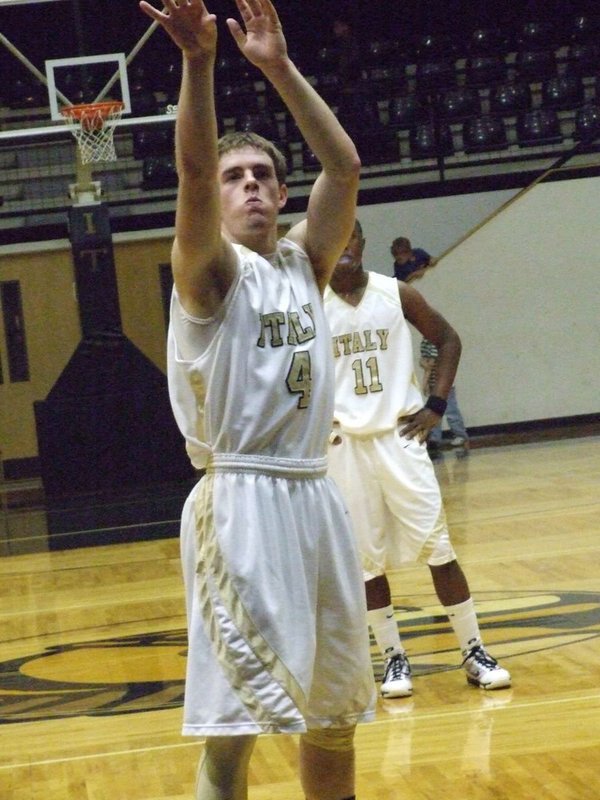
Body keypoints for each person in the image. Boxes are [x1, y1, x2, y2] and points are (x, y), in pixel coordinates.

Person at [138, 2, 375, 799]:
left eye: (264, 176)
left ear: (281, 192)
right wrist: (200, 64)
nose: (250, 187)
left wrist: (277, 67)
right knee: (236, 727)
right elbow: (195, 173)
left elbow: (342, 169)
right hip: (239, 498)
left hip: (314, 496)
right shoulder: (210, 272)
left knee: (333, 711)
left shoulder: (304, 264)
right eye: (239, 177)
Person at [325, 220, 511, 700]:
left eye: (351, 239)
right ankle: (393, 659)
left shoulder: (396, 293)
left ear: (363, 245)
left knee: (439, 548)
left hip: (400, 437)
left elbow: (448, 338)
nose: (343, 247)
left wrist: (436, 405)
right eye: (335, 239)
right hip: (343, 445)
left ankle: (473, 651)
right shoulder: (308, 304)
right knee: (365, 561)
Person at [420, 338, 470, 457]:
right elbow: (424, 362)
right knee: (434, 410)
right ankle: (435, 438)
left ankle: (461, 435)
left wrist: (424, 382)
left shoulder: (434, 342)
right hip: (435, 383)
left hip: (444, 383)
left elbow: (429, 364)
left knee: (451, 410)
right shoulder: (425, 342)